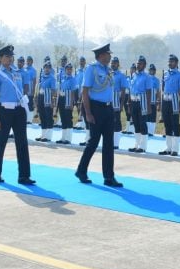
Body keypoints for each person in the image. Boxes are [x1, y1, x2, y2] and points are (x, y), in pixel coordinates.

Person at [75, 44, 123, 187]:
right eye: (108, 54)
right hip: (95, 108)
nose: (110, 57)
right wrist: (88, 113)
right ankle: (81, 170)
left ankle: (109, 177)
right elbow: (85, 92)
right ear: (101, 55)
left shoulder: (108, 70)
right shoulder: (92, 69)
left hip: (108, 108)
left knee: (109, 144)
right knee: (93, 142)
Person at [0, 45, 33, 185]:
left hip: (19, 110)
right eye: (6, 56)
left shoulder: (17, 73)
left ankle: (24, 176)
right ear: (0, 59)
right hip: (4, 111)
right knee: (0, 143)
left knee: (22, 143)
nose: (9, 59)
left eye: (11, 56)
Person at [159, 54, 180, 156]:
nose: (170, 63)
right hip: (165, 100)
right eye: (169, 61)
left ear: (176, 63)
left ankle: (175, 149)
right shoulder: (165, 74)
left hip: (174, 100)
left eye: (172, 61)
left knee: (175, 124)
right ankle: (168, 148)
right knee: (167, 124)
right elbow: (163, 89)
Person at [127, 56, 150, 153]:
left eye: (140, 63)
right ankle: (136, 145)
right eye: (137, 63)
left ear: (144, 65)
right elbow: (130, 89)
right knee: (135, 123)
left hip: (142, 101)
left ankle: (143, 146)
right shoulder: (133, 75)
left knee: (142, 123)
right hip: (133, 101)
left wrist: (148, 106)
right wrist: (128, 103)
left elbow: (148, 92)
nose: (138, 65)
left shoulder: (147, 77)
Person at [35, 60, 56, 141]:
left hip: (48, 99)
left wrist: (52, 101)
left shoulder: (52, 78)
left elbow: (53, 91)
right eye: (45, 68)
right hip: (41, 97)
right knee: (42, 116)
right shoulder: (42, 77)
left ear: (50, 69)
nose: (47, 69)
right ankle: (43, 134)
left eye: (48, 68)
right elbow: (39, 88)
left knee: (48, 116)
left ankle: (48, 136)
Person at [57, 63, 77, 144]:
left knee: (68, 118)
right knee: (63, 118)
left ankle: (68, 138)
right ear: (65, 70)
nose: (69, 71)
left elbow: (72, 92)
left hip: (68, 99)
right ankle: (63, 138)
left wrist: (72, 103)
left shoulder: (72, 79)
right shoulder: (63, 79)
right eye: (67, 69)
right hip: (62, 98)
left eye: (70, 69)